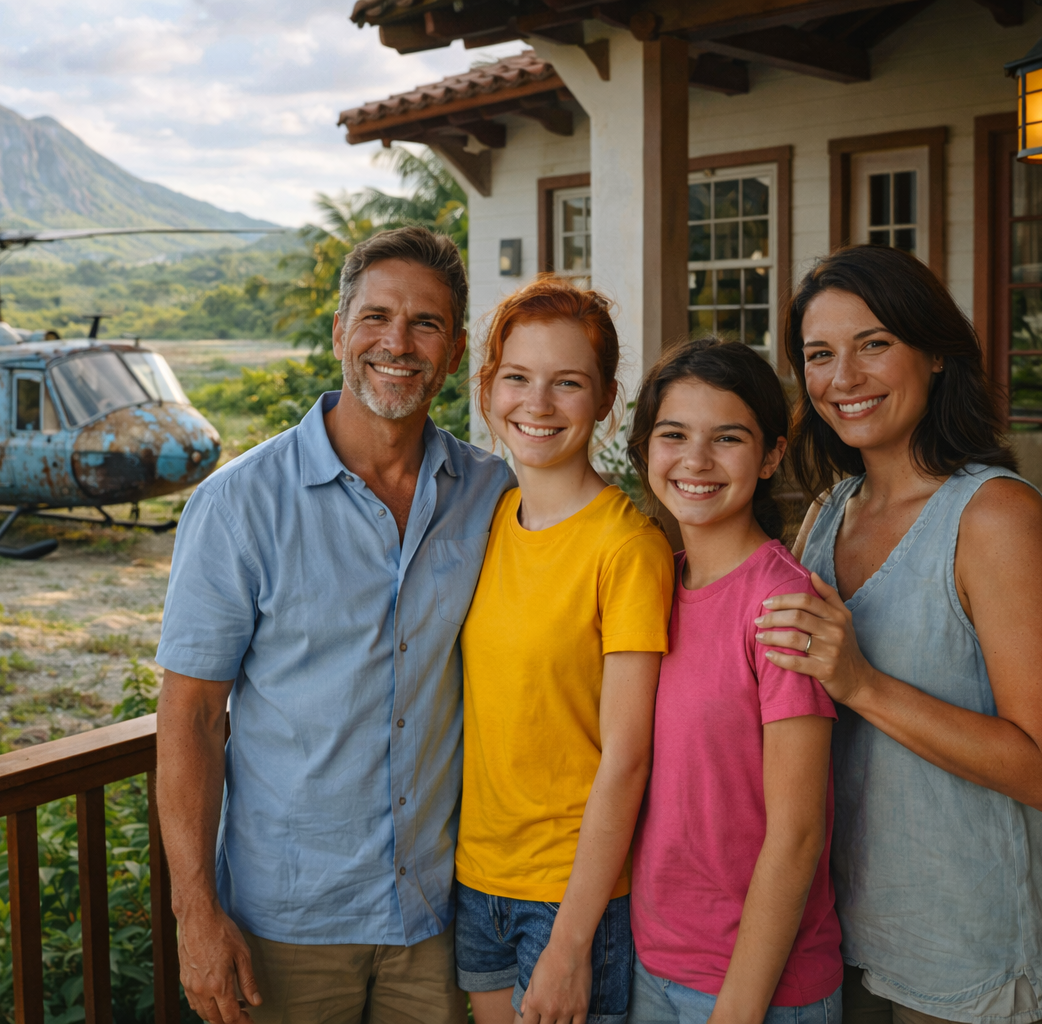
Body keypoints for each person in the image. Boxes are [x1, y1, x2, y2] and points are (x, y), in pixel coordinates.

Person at [155, 226, 515, 1024]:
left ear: (454, 351)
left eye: (425, 324)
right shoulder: (239, 503)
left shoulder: (492, 492)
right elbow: (191, 718)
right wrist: (195, 916)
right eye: (377, 317)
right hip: (285, 923)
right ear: (339, 333)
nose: (399, 342)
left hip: (435, 916)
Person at [754, 245, 1042, 1024]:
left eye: (874, 344)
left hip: (974, 954)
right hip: (850, 930)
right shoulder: (829, 513)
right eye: (820, 355)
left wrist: (863, 683)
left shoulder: (996, 516)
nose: (845, 378)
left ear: (935, 352)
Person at [454, 277, 671, 1024]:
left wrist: (572, 943)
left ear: (606, 399)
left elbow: (628, 757)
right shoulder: (487, 516)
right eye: (517, 377)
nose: (537, 405)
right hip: (476, 878)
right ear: (488, 388)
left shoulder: (627, 546)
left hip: (573, 895)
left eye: (567, 383)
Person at [624, 338, 842, 1024]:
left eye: (728, 438)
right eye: (674, 435)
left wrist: (739, 1009)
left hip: (758, 989)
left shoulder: (781, 608)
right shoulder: (657, 582)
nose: (696, 460)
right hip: (652, 962)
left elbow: (798, 833)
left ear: (773, 454)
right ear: (645, 448)